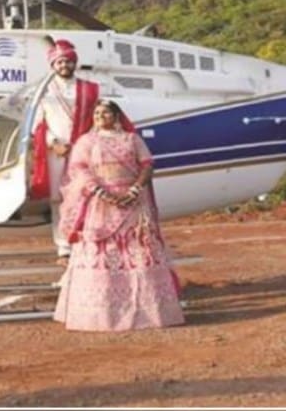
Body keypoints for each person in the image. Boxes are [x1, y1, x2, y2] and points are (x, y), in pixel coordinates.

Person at [53, 99, 184, 332]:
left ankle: (148, 312)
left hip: (134, 202)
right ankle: (100, 314)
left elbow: (147, 164)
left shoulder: (132, 139)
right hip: (99, 204)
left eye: (105, 113)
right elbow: (78, 169)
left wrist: (135, 189)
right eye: (96, 113)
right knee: (102, 252)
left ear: (116, 116)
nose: (100, 117)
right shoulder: (86, 141)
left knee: (139, 252)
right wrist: (100, 191)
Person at [31, 39, 100, 266]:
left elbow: (98, 120)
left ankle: (87, 242)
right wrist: (53, 143)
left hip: (84, 151)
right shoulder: (43, 91)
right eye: (59, 61)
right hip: (56, 151)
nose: (64, 65)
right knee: (58, 199)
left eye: (68, 61)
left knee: (87, 196)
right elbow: (37, 124)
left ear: (74, 63)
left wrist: (85, 145)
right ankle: (64, 247)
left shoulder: (90, 89)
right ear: (53, 64)